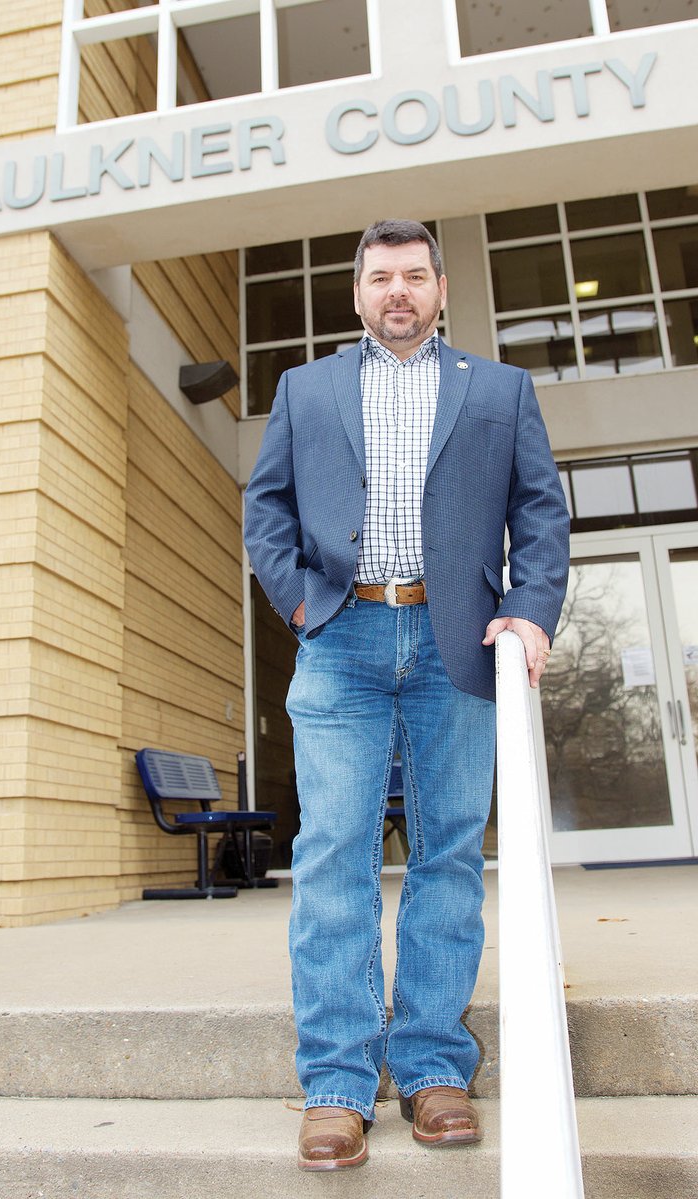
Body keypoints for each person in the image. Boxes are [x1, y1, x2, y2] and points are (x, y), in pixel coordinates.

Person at [244, 219, 570, 1171]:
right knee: (336, 852)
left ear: (439, 289)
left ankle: (432, 1070)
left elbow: (541, 513)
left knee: (450, 855)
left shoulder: (501, 391)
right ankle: (339, 1087)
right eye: (380, 276)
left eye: (414, 276)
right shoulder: (305, 389)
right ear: (357, 293)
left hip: (455, 642)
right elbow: (266, 508)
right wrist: (303, 604)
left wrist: (530, 608)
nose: (398, 291)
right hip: (341, 637)